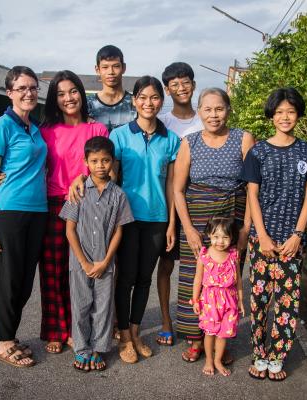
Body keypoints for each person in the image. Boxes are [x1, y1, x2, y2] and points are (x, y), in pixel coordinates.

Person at [242, 87, 307, 381]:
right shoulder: (258, 152)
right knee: (260, 298)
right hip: (262, 239)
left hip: (293, 240)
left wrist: (298, 234)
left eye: (290, 111)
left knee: (287, 299)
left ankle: (277, 355)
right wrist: (261, 236)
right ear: (271, 116)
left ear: (298, 114)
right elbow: (253, 195)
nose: (285, 117)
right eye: (279, 112)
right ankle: (258, 354)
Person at [173, 87, 254, 363]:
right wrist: (189, 229)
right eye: (207, 109)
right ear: (199, 112)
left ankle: (221, 340)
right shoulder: (189, 142)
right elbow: (178, 189)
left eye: (219, 108)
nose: (214, 114)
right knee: (193, 281)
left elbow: (254, 188)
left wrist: (245, 230)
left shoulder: (243, 139)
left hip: (233, 221)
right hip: (197, 220)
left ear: (228, 110)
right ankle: (196, 341)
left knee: (227, 282)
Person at [110, 76, 180, 363]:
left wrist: (172, 223)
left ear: (161, 101)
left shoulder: (171, 139)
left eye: (154, 97)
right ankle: (124, 336)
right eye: (142, 97)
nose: (148, 103)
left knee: (144, 278)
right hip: (127, 218)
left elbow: (172, 186)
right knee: (125, 277)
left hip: (157, 219)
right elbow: (110, 178)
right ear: (134, 100)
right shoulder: (119, 136)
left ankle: (136, 333)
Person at [38, 71, 109, 354]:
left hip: (88, 206)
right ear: (55, 99)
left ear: (82, 93)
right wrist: (5, 175)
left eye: (73, 91)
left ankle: (78, 328)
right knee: (53, 271)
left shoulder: (98, 130)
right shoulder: (45, 132)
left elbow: (107, 171)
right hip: (54, 204)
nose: (68, 98)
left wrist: (82, 178)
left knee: (81, 272)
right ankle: (55, 328)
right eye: (61, 94)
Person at [0, 66, 47, 368]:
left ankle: (9, 333)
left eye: (32, 87)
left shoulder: (34, 127)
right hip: (9, 212)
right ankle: (4, 342)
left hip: (38, 212)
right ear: (9, 93)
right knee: (10, 279)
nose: (28, 93)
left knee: (25, 281)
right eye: (21, 88)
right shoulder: (2, 127)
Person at [60, 136, 134, 372]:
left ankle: (99, 349)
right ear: (86, 162)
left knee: (103, 307)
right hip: (79, 262)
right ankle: (82, 349)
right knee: (81, 305)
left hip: (105, 262)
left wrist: (105, 261)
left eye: (105, 160)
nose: (100, 165)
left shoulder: (118, 195)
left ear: (113, 162)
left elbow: (118, 232)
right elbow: (69, 230)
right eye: (95, 161)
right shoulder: (78, 192)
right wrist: (83, 261)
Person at [156, 62, 204, 347]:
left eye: (185, 82)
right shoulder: (163, 122)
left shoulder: (205, 117)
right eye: (174, 84)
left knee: (198, 266)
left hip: (199, 203)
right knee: (166, 264)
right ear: (167, 89)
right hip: (169, 202)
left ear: (193, 85)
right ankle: (165, 320)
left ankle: (199, 322)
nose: (181, 87)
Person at [192, 216, 245, 376]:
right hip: (209, 301)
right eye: (216, 236)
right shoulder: (204, 255)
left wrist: (241, 300)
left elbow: (238, 280)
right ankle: (209, 359)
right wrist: (195, 299)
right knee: (210, 332)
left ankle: (217, 360)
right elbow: (198, 279)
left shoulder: (234, 255)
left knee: (223, 334)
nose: (220, 241)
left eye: (225, 237)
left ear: (232, 238)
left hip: (230, 300)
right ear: (209, 235)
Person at [87, 45, 136, 131]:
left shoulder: (135, 103)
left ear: (123, 68)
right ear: (97, 70)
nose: (111, 72)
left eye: (116, 66)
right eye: (105, 67)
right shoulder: (88, 104)